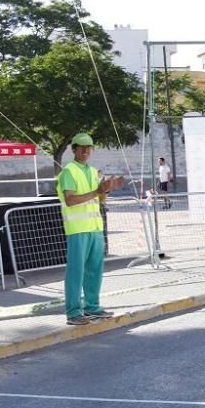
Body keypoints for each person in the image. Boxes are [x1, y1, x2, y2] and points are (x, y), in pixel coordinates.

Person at [57, 133, 125, 325]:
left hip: (95, 228)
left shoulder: (93, 171)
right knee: (76, 272)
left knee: (94, 270)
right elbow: (70, 200)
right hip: (77, 229)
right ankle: (73, 312)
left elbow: (99, 199)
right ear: (74, 149)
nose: (86, 151)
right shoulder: (68, 172)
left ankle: (92, 308)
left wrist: (107, 189)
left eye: (89, 147)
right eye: (82, 147)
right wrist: (97, 190)